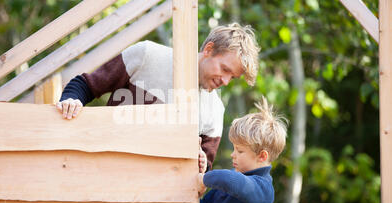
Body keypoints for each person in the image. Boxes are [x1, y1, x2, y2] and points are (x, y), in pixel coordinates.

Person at [56, 23, 260, 172]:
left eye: (232, 77)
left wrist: (199, 163)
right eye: (224, 69)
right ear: (208, 50)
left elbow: (201, 177)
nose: (225, 81)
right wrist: (72, 100)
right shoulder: (147, 55)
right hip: (103, 174)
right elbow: (85, 85)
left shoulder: (215, 110)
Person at [197, 96, 288, 203]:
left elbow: (229, 181)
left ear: (262, 156)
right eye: (234, 149)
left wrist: (204, 179)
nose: (233, 154)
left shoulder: (263, 189)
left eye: (239, 151)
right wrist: (200, 174)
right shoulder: (229, 183)